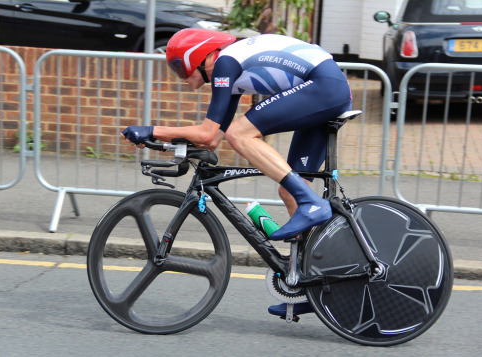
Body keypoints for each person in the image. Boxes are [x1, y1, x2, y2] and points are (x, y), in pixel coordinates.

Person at [121, 28, 352, 318]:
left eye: (179, 66)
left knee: (241, 135)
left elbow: (207, 134)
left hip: (323, 86)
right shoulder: (230, 72)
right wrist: (164, 140)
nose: (182, 77)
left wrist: (152, 130)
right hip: (325, 88)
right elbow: (212, 138)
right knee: (288, 190)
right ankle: (315, 284)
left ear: (198, 54)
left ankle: (311, 202)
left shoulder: (224, 63)